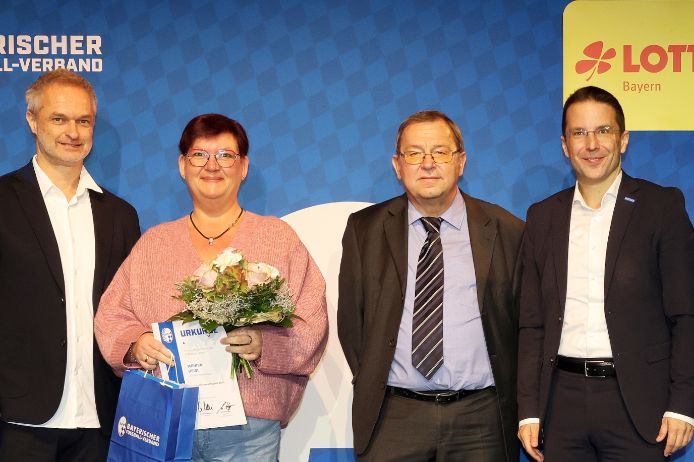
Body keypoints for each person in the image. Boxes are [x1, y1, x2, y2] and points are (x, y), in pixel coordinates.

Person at [94, 113, 328, 461]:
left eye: (225, 155)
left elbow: (312, 321)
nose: (212, 165)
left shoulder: (278, 239)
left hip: (248, 430)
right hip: (163, 422)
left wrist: (265, 344)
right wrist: (135, 344)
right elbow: (111, 314)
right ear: (182, 166)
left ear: (243, 166)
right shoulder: (154, 243)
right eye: (199, 155)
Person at [517, 85, 694, 461]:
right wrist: (529, 410)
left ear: (623, 139)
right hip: (559, 406)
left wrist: (683, 403)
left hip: (638, 404)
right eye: (579, 132)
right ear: (565, 145)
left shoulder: (661, 207)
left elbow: (687, 314)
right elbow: (532, 324)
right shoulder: (542, 216)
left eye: (603, 130)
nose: (592, 144)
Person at [338, 110, 524, 461]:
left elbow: (522, 324)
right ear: (397, 165)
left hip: (481, 419)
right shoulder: (365, 229)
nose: (427, 164)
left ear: (461, 161)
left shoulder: (507, 229)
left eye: (440, 152)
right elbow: (352, 323)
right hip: (393, 417)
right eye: (414, 153)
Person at [0, 69, 141, 461]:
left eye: (84, 120)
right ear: (32, 121)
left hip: (100, 417)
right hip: (17, 419)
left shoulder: (121, 216)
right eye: (59, 119)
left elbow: (129, 309)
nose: (73, 132)